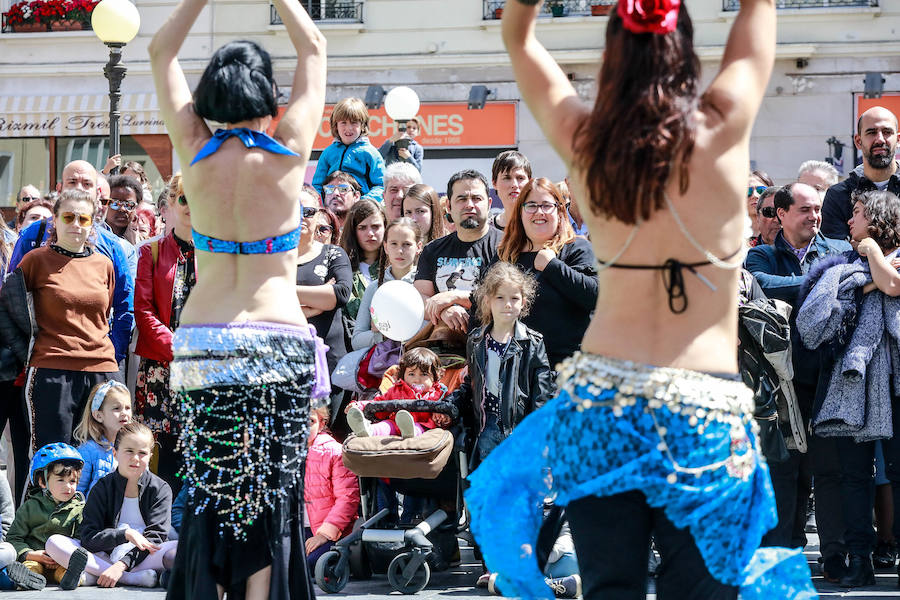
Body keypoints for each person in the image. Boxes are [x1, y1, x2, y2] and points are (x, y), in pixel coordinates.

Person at [464, 0, 817, 598]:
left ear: (610, 59)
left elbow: (518, 36)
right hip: (701, 404)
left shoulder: (589, 139)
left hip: (602, 401)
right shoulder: (723, 121)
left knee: (610, 590)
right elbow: (757, 13)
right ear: (684, 54)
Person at [149, 0, 330, 595]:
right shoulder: (289, 151)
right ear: (268, 100)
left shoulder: (193, 151)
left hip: (204, 342)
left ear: (209, 97)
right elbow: (315, 49)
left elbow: (158, 52)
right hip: (277, 339)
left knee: (212, 491)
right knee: (270, 496)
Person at [745, 183, 850, 579]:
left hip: (829, 377)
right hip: (781, 382)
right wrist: (825, 283)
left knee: (827, 471)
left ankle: (835, 556)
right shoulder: (763, 254)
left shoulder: (836, 251)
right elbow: (759, 289)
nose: (814, 217)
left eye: (818, 209)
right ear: (782, 214)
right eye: (804, 210)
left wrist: (824, 279)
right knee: (784, 470)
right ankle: (781, 555)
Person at [795, 189, 900, 587]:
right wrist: (863, 283)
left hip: (894, 384)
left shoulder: (887, 260)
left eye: (857, 214)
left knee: (898, 472)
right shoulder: (836, 268)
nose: (849, 221)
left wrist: (873, 257)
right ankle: (860, 560)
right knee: (854, 477)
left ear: (875, 219)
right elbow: (813, 321)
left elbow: (893, 285)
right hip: (850, 386)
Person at [448, 261, 554, 586]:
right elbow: (473, 383)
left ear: (524, 302)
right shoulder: (477, 340)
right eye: (500, 298)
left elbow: (543, 393)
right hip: (487, 431)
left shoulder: (532, 342)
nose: (508, 305)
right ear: (487, 302)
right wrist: (454, 402)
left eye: (515, 298)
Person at [15, 188, 122, 450]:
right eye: (68, 217)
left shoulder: (104, 264)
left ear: (92, 222)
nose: (76, 225)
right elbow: (12, 312)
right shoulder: (35, 261)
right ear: (55, 219)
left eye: (83, 219)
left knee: (104, 460)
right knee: (53, 461)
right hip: (52, 370)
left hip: (101, 371)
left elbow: (107, 312)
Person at [7, 160, 134, 367]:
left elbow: (125, 307)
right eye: (72, 182)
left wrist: (113, 352)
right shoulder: (33, 236)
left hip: (97, 364)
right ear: (60, 188)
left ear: (98, 192)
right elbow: (12, 301)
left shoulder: (111, 246)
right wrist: (27, 354)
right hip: (46, 364)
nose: (79, 189)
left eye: (87, 184)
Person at [45, 422, 176, 589]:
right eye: (129, 451)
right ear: (115, 453)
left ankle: (98, 575)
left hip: (144, 557)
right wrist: (125, 535)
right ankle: (131, 579)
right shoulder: (102, 487)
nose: (135, 458)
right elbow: (88, 537)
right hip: (105, 556)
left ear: (150, 456)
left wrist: (121, 565)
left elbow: (156, 537)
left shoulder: (161, 489)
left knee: (178, 549)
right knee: (53, 542)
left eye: (142, 453)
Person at [133, 173, 195, 495]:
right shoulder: (151, 252)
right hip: (160, 370)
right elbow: (143, 313)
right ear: (170, 203)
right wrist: (180, 348)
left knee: (199, 455)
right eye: (184, 198)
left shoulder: (216, 255)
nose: (191, 206)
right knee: (161, 458)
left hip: (203, 369)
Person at [496, 177, 598, 367]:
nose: (539, 212)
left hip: (566, 369)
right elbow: (481, 311)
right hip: (514, 369)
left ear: (559, 211)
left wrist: (553, 266)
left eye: (546, 205)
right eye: (531, 205)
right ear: (520, 212)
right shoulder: (505, 255)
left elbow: (594, 296)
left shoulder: (577, 248)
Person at [415, 170, 502, 334]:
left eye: (477, 198)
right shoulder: (432, 250)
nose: (469, 204)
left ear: (489, 204)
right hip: (443, 346)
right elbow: (420, 298)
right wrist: (443, 311)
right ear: (448, 206)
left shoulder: (506, 247)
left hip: (491, 343)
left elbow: (506, 298)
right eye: (462, 199)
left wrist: (455, 297)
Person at [6, 443, 86, 591]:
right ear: (42, 482)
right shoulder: (30, 507)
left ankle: (71, 579)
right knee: (30, 568)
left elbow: (80, 539)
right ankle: (27, 580)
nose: (68, 487)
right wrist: (29, 554)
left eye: (72, 481)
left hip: (62, 561)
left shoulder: (79, 509)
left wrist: (66, 555)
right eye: (61, 480)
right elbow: (13, 538)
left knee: (67, 571)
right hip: (35, 559)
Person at [296, 188, 353, 375]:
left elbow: (340, 294)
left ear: (318, 214)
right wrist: (317, 302)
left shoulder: (333, 254)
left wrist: (284, 291)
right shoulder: (273, 257)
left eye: (309, 212)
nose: (302, 217)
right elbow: (264, 300)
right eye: (295, 210)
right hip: (285, 359)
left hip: (330, 363)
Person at [822, 106, 900, 240]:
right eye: (871, 132)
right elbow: (835, 250)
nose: (880, 139)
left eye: (887, 132)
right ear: (858, 141)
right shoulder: (838, 195)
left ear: (898, 140)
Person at [351, 218, 424, 352]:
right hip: (381, 367)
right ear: (385, 247)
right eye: (394, 244)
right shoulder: (374, 288)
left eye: (406, 244)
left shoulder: (425, 286)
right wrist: (381, 334)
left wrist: (397, 328)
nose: (400, 250)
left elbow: (429, 331)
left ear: (418, 247)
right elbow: (356, 340)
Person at [303, 406, 360, 573]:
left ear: (321, 424)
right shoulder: (284, 453)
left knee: (306, 566)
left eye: (310, 421)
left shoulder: (333, 452)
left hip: (325, 530)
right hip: (295, 530)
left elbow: (347, 498)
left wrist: (324, 535)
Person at [347, 347, 449, 439]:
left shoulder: (439, 393)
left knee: (420, 428)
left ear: (434, 377)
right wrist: (359, 405)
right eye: (411, 374)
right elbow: (379, 402)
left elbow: (449, 408)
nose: (417, 380)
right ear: (403, 375)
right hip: (396, 424)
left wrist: (442, 414)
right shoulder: (397, 390)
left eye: (424, 374)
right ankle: (368, 430)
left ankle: (411, 432)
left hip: (423, 427)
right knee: (386, 425)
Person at [312, 97, 385, 202]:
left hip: (359, 210)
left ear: (363, 126)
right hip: (332, 207)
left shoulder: (371, 153)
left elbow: (381, 185)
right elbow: (317, 185)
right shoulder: (328, 153)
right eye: (343, 123)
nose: (349, 128)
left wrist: (363, 202)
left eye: (354, 122)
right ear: (336, 125)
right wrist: (323, 204)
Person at [73, 381, 132, 497]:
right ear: (98, 416)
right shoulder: (88, 451)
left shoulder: (135, 447)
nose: (124, 413)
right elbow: (77, 493)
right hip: (95, 513)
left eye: (128, 408)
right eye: (117, 408)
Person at [340, 199, 386, 321]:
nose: (370, 233)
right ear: (353, 231)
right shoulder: (341, 267)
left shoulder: (396, 265)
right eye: (362, 227)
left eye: (375, 226)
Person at [491, 150, 532, 231]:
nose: (514, 185)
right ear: (494, 183)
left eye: (520, 178)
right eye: (507, 178)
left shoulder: (541, 224)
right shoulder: (486, 228)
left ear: (530, 182)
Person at [747, 169, 774, 238]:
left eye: (761, 190)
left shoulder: (784, 232)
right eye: (748, 191)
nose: (755, 195)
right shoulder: (732, 235)